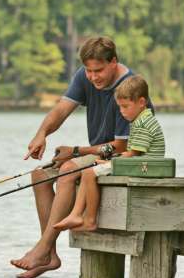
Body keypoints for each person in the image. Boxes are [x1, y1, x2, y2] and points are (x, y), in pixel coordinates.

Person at [10, 36, 153, 278]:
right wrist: (41, 134)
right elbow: (62, 109)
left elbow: (121, 145)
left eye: (98, 70)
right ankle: (50, 255)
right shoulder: (84, 77)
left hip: (123, 156)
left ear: (114, 62)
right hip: (96, 152)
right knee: (40, 174)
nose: (93, 77)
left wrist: (76, 152)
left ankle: (42, 248)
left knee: (68, 169)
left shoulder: (129, 88)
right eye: (88, 70)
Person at [53, 75, 165, 232]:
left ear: (141, 102)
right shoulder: (142, 119)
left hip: (143, 167)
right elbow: (132, 154)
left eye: (125, 106)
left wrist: (110, 163)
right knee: (89, 170)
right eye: (119, 107)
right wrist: (111, 161)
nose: (122, 112)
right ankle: (76, 214)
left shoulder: (142, 124)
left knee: (89, 173)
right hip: (139, 164)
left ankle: (89, 219)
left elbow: (133, 154)